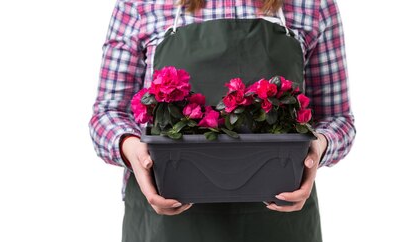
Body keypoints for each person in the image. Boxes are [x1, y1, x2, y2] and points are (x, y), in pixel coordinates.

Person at [88, 0, 356, 241]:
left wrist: (317, 149)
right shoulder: (139, 4)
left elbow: (337, 119)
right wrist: (132, 150)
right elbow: (108, 115)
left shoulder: (312, 5)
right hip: (167, 224)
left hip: (279, 222)